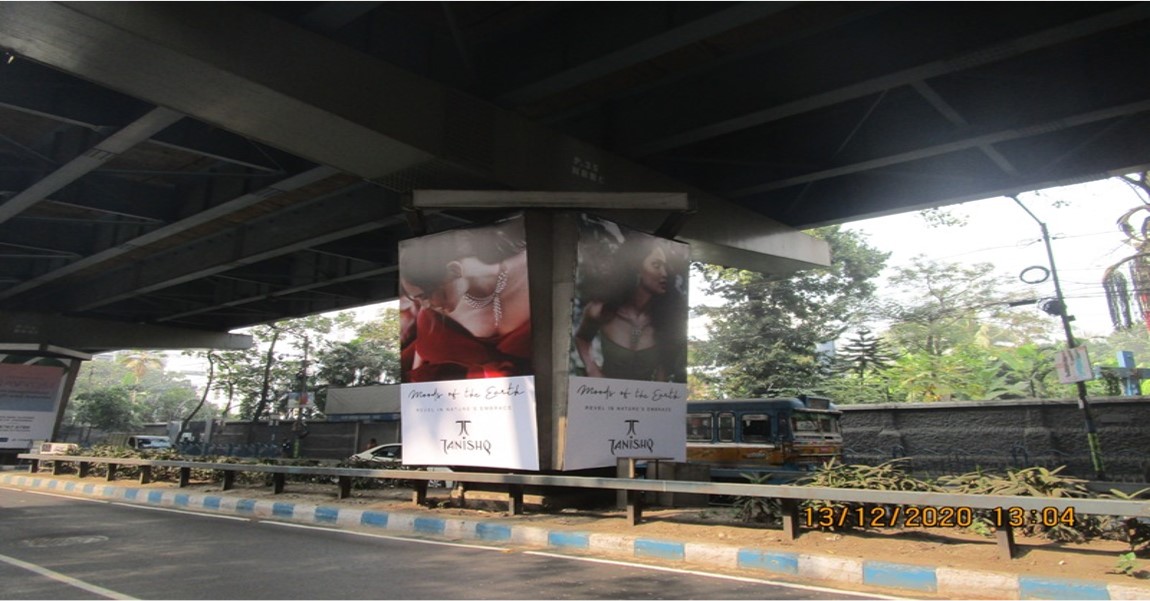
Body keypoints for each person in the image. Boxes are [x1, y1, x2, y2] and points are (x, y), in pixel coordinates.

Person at [399, 219, 532, 383]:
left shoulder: (530, 265)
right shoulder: (432, 320)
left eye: (425, 295)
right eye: (418, 299)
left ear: (454, 270)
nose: (425, 305)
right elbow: (418, 375)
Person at [574, 234, 687, 382]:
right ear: (636, 267)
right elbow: (581, 338)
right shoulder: (601, 310)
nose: (664, 273)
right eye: (656, 265)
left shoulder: (666, 320)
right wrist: (591, 367)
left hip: (645, 401)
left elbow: (664, 369)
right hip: (603, 398)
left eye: (666, 267)